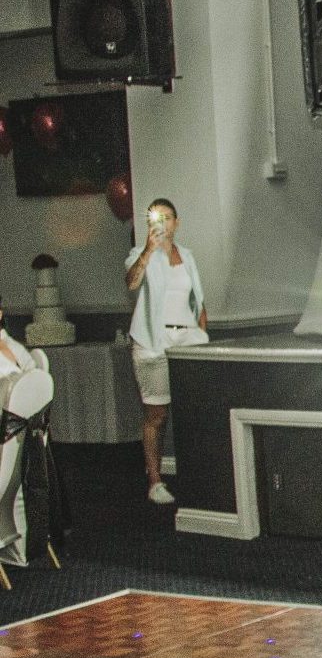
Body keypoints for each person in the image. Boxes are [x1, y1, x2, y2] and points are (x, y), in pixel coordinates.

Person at [123, 199, 208, 506]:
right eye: (156, 219)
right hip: (152, 341)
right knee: (156, 414)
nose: (163, 223)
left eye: (167, 217)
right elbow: (132, 283)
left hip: (187, 341)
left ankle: (200, 476)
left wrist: (201, 332)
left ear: (177, 222)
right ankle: (155, 481)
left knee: (195, 408)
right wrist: (147, 250)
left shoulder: (187, 256)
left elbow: (199, 300)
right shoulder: (139, 254)